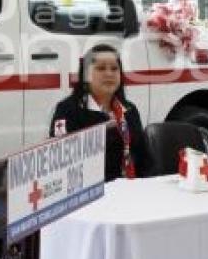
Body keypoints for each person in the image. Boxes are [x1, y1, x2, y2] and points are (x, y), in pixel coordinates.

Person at [50, 44, 151, 181]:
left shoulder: (129, 110)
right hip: (86, 190)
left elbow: (143, 157)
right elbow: (59, 159)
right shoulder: (67, 110)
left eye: (114, 69)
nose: (109, 74)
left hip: (129, 187)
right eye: (101, 68)